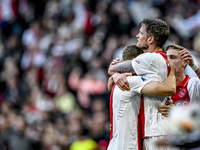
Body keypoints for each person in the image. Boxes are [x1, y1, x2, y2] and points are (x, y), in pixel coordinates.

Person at [108, 18, 173, 149]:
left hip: (155, 132)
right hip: (154, 129)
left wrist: (116, 73)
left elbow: (112, 69)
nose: (137, 36)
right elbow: (111, 84)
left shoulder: (150, 58)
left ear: (150, 39)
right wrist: (116, 76)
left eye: (141, 33)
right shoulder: (162, 59)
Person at [157, 44, 200, 149]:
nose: (168, 61)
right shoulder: (157, 86)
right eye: (166, 57)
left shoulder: (192, 84)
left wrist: (194, 65)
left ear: (184, 62)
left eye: (172, 57)